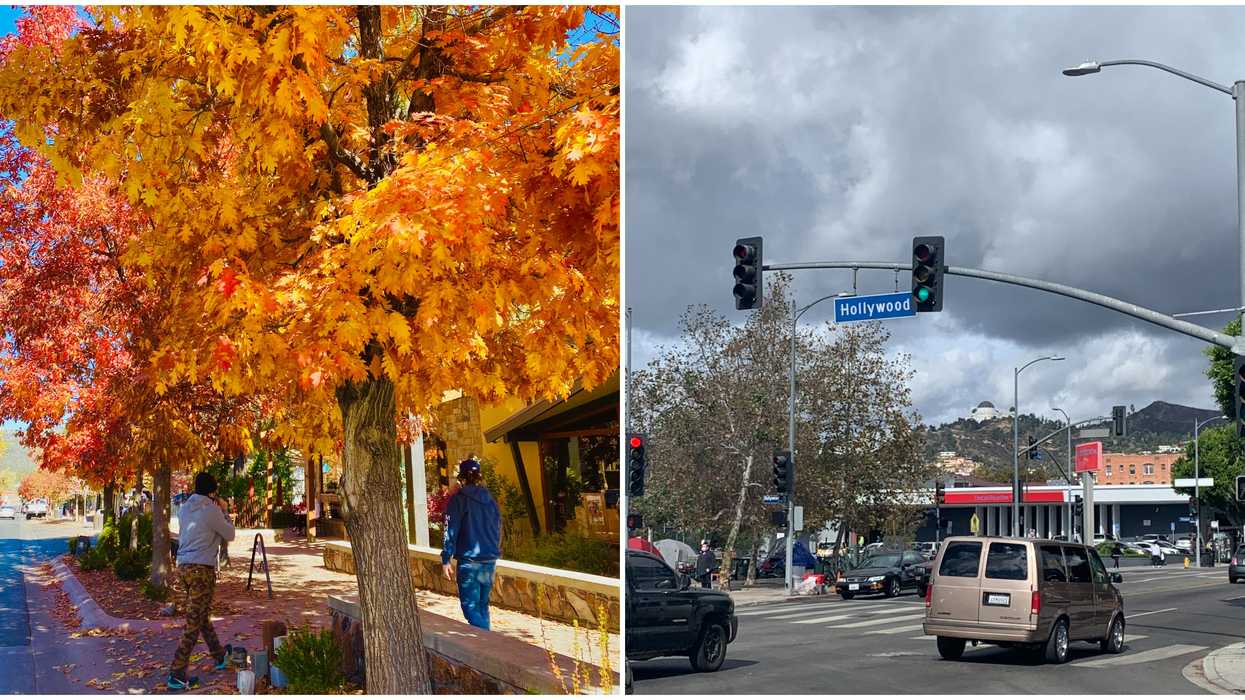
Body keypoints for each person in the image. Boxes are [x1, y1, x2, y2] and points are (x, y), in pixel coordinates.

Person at [167, 472, 235, 690]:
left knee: (201, 615)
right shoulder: (211, 511)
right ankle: (177, 673)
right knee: (194, 622)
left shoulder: (185, 508)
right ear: (212, 491)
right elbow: (230, 534)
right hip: (201, 570)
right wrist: (224, 510)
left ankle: (219, 655)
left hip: (183, 567)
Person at [441, 458, 501, 630]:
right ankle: (487, 645)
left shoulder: (458, 500)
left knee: (471, 609)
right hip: (489, 560)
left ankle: (491, 643)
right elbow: (498, 526)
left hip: (470, 562)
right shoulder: (490, 500)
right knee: (482, 607)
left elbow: (449, 529)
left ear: (461, 478)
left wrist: (446, 558)